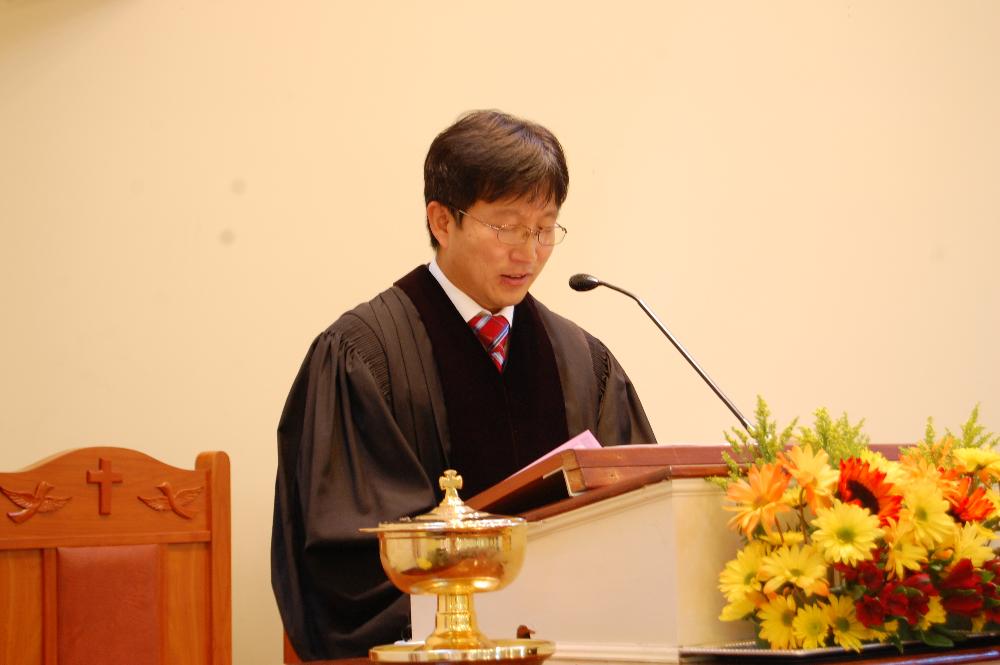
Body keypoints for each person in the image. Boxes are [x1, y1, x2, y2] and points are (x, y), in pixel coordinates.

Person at [272, 110, 656, 661]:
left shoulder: (582, 361)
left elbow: (635, 517)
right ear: (442, 221)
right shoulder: (362, 356)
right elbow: (347, 565)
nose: (527, 252)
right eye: (506, 227)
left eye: (544, 229)